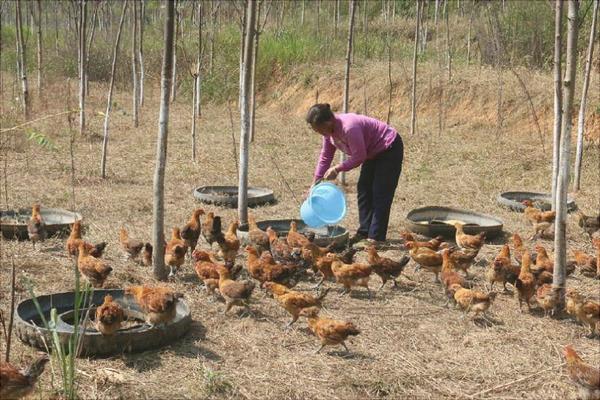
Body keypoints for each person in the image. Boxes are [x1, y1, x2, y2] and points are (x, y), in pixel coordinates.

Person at [306, 103, 404, 245]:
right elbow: (326, 156)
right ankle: (364, 231)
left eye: (317, 128)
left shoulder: (349, 127)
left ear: (328, 122)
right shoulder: (328, 132)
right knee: (364, 189)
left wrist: (337, 169)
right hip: (371, 153)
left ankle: (376, 237)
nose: (316, 132)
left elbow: (359, 157)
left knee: (380, 192)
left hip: (388, 148)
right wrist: (315, 183)